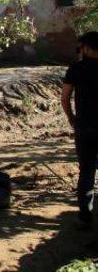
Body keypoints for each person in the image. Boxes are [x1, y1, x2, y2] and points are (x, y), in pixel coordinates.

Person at [61, 31, 98, 228]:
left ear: (87, 47)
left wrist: (71, 118)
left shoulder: (76, 68)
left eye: (81, 47)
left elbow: (65, 98)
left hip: (84, 126)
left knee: (86, 172)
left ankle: (85, 217)